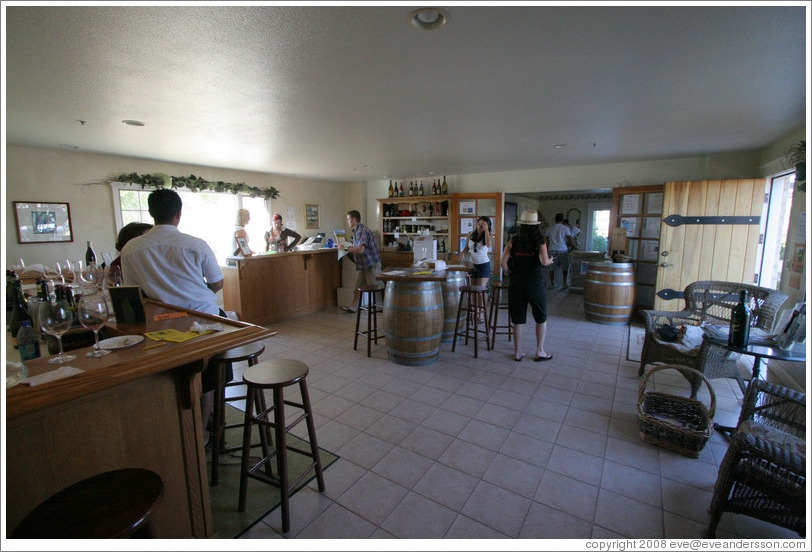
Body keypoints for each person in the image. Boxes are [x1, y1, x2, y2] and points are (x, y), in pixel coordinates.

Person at [120, 188, 225, 446]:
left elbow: (134, 291)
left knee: (176, 373)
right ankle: (203, 432)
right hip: (202, 318)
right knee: (208, 372)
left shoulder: (131, 248)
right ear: (179, 214)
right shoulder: (195, 244)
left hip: (162, 322)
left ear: (151, 213)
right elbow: (217, 282)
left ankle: (177, 425)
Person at [500, 210, 554, 362]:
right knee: (540, 317)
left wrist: (509, 274)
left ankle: (518, 352)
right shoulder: (540, 240)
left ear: (521, 225)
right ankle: (540, 351)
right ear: (536, 225)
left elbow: (502, 262)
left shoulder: (513, 241)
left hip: (517, 282)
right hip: (535, 282)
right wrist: (550, 261)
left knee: (518, 318)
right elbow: (544, 262)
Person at [340, 210, 381, 313]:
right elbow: (357, 247)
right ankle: (353, 306)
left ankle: (381, 306)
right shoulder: (357, 231)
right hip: (364, 264)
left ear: (354, 220)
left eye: (348, 219)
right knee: (358, 287)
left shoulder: (362, 231)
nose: (347, 221)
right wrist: (348, 247)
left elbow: (360, 250)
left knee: (375, 286)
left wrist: (346, 249)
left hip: (371, 263)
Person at [460, 216, 493, 287]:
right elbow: (467, 247)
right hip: (471, 264)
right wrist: (463, 253)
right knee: (472, 289)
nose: (480, 226)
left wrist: (486, 230)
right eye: (479, 224)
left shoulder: (489, 235)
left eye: (483, 225)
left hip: (483, 265)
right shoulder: (470, 234)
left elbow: (489, 245)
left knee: (480, 290)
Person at [548, 212, 577, 289]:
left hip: (552, 249)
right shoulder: (565, 228)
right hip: (563, 250)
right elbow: (570, 239)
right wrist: (575, 247)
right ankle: (564, 283)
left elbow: (546, 240)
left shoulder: (550, 228)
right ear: (563, 220)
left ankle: (552, 283)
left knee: (552, 268)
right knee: (565, 267)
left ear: (555, 219)